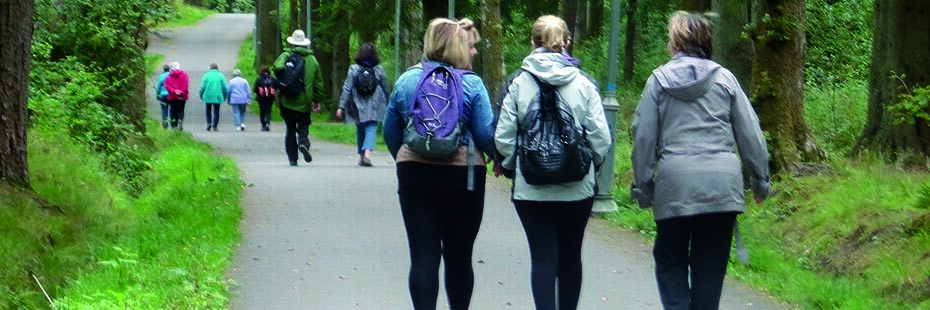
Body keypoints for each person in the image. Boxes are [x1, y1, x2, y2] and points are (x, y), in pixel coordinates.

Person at [630, 11, 770, 310]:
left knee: (670, 259)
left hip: (675, 185)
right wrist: (760, 179)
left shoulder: (658, 81)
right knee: (710, 266)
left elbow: (643, 138)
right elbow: (751, 133)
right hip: (721, 188)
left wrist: (643, 187)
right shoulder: (725, 79)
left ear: (676, 44)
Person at [493, 15, 612, 310]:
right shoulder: (584, 83)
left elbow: (504, 137)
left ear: (532, 43)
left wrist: (512, 167)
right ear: (566, 44)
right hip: (577, 187)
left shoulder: (519, 82)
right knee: (571, 255)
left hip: (531, 188)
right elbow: (601, 138)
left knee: (542, 258)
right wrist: (590, 165)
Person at [382, 18, 496, 310]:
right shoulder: (472, 83)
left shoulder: (408, 80)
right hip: (464, 177)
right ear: (459, 45)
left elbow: (390, 130)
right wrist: (500, 160)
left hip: (415, 175)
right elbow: (484, 134)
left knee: (423, 256)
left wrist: (405, 158)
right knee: (459, 256)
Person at [273, 29, 323, 166]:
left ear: (292, 43)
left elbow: (276, 68)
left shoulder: (286, 55)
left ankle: (292, 159)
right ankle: (303, 142)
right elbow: (318, 83)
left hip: (287, 99)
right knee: (304, 125)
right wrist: (317, 99)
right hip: (304, 100)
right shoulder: (312, 60)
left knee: (290, 128)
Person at [336, 42, 390, 167]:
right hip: (375, 104)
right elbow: (386, 88)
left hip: (357, 104)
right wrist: (390, 103)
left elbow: (347, 88)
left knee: (360, 128)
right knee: (371, 127)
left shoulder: (353, 69)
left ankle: (361, 156)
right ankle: (367, 155)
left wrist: (341, 106)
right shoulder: (379, 70)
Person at [199, 63, 227, 131]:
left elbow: (202, 87)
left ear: (210, 68)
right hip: (217, 96)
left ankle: (209, 123)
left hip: (208, 95)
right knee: (216, 111)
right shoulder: (221, 76)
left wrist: (201, 94)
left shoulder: (206, 75)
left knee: (208, 110)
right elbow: (224, 87)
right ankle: (215, 126)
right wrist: (224, 95)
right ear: (217, 68)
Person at [163, 61, 190, 130]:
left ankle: (174, 126)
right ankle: (180, 119)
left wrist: (174, 91)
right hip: (182, 96)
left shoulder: (168, 76)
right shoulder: (184, 75)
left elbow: (166, 85)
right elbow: (186, 84)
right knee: (181, 110)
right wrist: (181, 91)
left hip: (172, 96)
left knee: (173, 110)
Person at [253, 66, 277, 131]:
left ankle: (263, 125)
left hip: (261, 98)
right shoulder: (272, 79)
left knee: (262, 112)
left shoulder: (259, 79)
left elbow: (255, 89)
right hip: (270, 98)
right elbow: (276, 87)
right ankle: (267, 123)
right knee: (268, 111)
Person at [155, 64, 171, 129]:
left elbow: (158, 87)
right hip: (171, 95)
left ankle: (165, 124)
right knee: (172, 109)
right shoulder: (171, 75)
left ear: (163, 69)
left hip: (163, 95)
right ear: (169, 69)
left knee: (164, 109)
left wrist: (157, 95)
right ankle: (173, 123)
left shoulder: (161, 76)